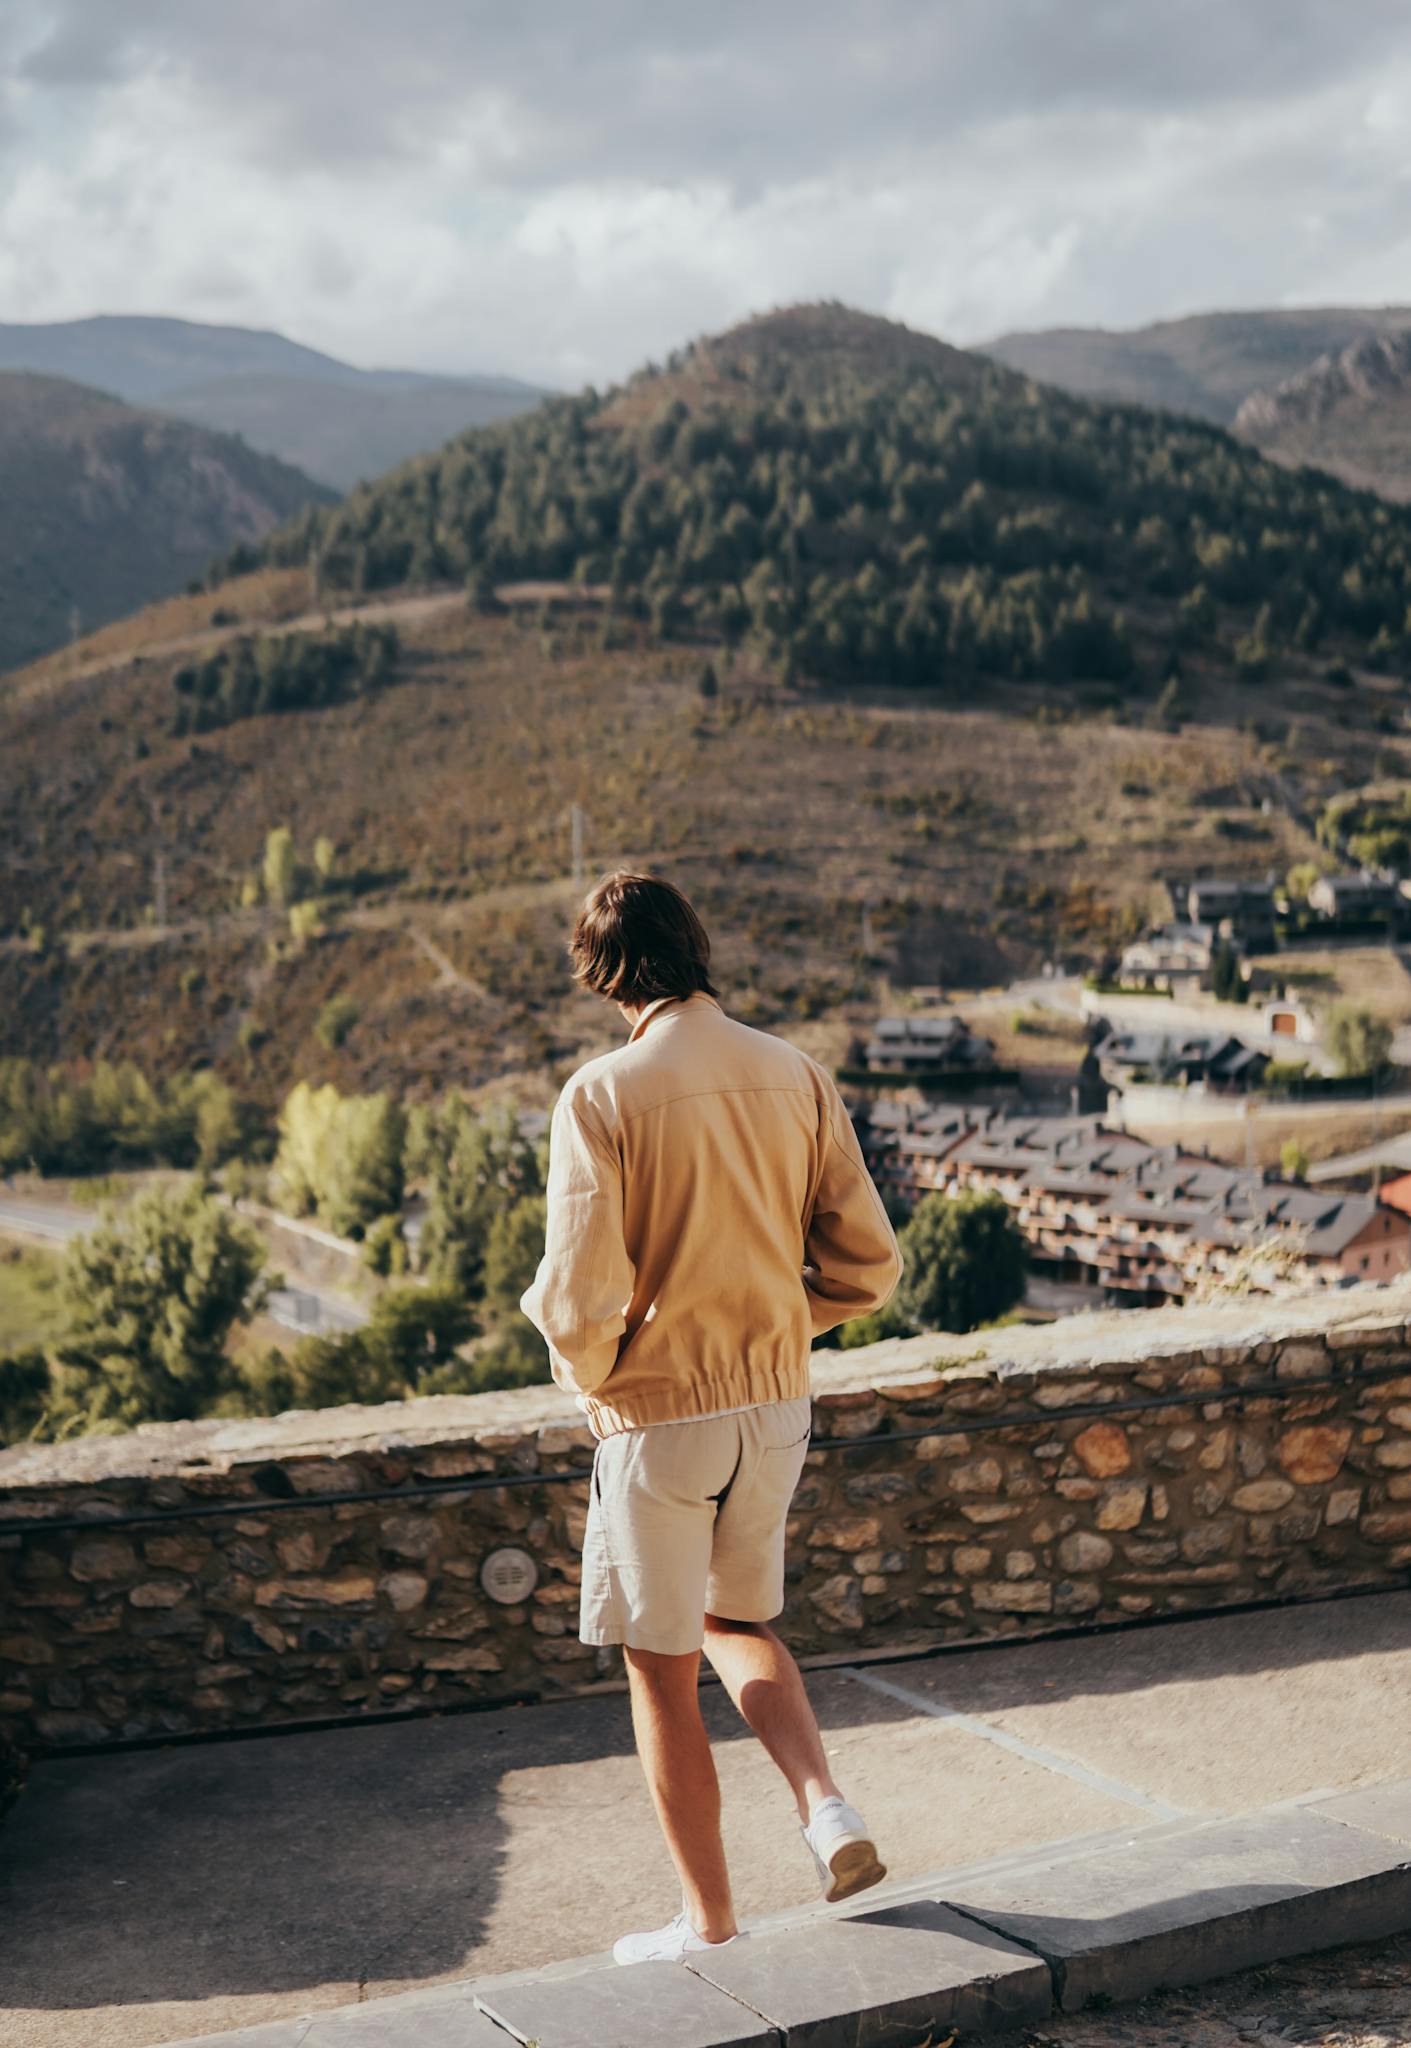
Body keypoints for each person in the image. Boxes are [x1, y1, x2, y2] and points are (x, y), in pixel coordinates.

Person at [521, 870, 904, 1966]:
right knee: (740, 1621)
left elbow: (581, 1293)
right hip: (775, 1405)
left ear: (600, 970)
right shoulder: (794, 1071)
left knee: (659, 1660)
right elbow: (867, 1264)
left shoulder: (599, 1094)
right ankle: (827, 1804)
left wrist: (600, 1374)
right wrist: (783, 1324)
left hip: (659, 1417)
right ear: (693, 946)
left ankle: (710, 1922)